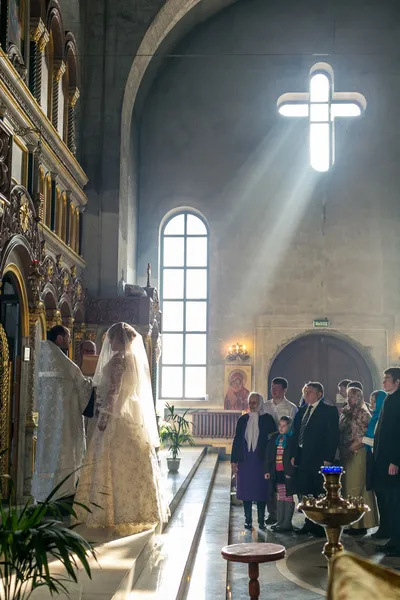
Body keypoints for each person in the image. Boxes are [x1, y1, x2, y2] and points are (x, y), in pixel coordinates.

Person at [74, 322, 169, 534]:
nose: (109, 341)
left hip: (115, 418)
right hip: (129, 416)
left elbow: (114, 392)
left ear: (118, 338)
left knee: (108, 461)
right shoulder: (134, 359)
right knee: (130, 464)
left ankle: (108, 513)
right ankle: (133, 511)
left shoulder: (119, 360)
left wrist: (105, 416)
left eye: (111, 338)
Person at [32, 325, 93, 503]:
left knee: (47, 453)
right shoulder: (61, 360)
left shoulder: (42, 355)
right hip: (65, 420)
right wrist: (93, 384)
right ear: (59, 339)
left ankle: (45, 492)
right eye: (67, 337)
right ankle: (63, 490)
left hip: (46, 421)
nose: (69, 341)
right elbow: (81, 384)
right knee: (65, 451)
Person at [291, 382, 339, 536]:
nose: (307, 394)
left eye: (310, 391)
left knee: (319, 491)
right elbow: (296, 434)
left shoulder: (329, 411)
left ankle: (320, 524)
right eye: (305, 391)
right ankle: (309, 522)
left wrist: (328, 457)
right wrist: (294, 454)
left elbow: (333, 436)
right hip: (303, 456)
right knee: (306, 491)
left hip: (319, 457)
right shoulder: (302, 411)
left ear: (319, 394)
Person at [231, 392, 276, 530]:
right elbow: (237, 440)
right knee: (246, 491)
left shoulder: (268, 419)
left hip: (261, 461)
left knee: (261, 491)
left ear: (260, 403)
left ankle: (261, 521)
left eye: (254, 402)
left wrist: (271, 462)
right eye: (250, 402)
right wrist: (233, 461)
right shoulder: (243, 419)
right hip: (245, 461)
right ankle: (248, 520)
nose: (252, 405)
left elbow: (273, 440)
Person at [339, 386, 378, 535]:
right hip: (346, 453)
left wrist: (351, 448)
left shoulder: (363, 413)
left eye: (353, 396)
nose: (350, 399)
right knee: (347, 487)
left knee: (357, 486)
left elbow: (366, 436)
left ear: (360, 398)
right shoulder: (346, 412)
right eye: (348, 396)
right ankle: (350, 522)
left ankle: (361, 523)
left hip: (358, 453)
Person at [374, 368, 400, 556]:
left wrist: (394, 460)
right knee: (390, 502)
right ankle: (393, 539)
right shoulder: (390, 399)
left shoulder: (398, 400)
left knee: (396, 502)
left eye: (388, 380)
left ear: (397, 382)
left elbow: (397, 433)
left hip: (393, 461)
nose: (384, 383)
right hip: (384, 459)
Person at [263, 377, 297, 524]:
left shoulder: (291, 407)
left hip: (285, 450)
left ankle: (285, 519)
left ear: (284, 390)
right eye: (272, 388)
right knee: (272, 483)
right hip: (271, 448)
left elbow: (293, 431)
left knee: (284, 488)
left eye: (277, 389)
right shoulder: (265, 406)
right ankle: (272, 513)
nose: (274, 391)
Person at [265, 416, 296, 532]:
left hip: (287, 472)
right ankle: (280, 521)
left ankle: (287, 523)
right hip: (277, 471)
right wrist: (267, 470)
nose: (281, 428)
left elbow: (294, 458)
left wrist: (291, 471)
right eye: (280, 425)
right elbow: (269, 456)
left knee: (288, 495)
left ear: (289, 427)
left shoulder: (292, 440)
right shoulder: (275, 439)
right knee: (280, 494)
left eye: (284, 426)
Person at [363, 390, 386, 539]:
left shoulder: (383, 418)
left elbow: (379, 440)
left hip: (381, 460)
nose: (370, 404)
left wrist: (362, 440)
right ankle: (384, 527)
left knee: (386, 497)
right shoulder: (376, 417)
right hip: (373, 458)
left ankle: (388, 528)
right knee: (380, 497)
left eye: (373, 401)